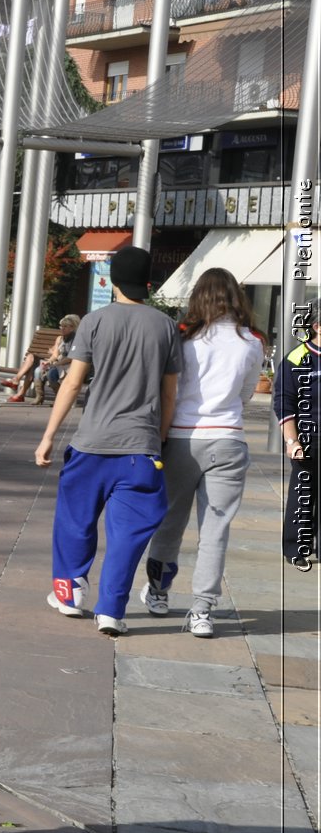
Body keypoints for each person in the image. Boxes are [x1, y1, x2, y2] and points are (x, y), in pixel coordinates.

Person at [35, 246, 181, 636]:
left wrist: (48, 436)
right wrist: (160, 437)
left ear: (112, 280)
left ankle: (69, 594)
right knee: (128, 534)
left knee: (75, 521)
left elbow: (72, 382)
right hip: (141, 448)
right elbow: (170, 395)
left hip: (92, 444)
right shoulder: (166, 326)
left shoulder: (95, 322)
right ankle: (112, 611)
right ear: (148, 281)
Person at [138, 269, 264, 637]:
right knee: (215, 530)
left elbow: (169, 391)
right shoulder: (251, 341)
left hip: (182, 438)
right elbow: (245, 395)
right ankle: (202, 610)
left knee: (170, 522)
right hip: (228, 439)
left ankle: (159, 592)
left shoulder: (184, 339)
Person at [275, 298, 321, 570]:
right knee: (303, 493)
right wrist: (292, 441)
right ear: (317, 326)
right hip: (308, 438)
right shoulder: (297, 358)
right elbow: (284, 401)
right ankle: (295, 548)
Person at [5, 313, 79, 404]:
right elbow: (55, 355)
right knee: (37, 370)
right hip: (58, 363)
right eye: (61, 326)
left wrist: (54, 363)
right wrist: (49, 362)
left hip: (68, 365)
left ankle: (60, 399)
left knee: (49, 372)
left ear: (72, 327)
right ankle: (39, 397)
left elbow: (71, 357)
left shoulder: (76, 339)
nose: (62, 328)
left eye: (65, 326)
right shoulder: (60, 338)